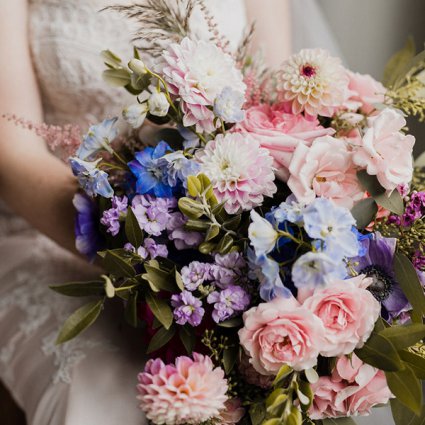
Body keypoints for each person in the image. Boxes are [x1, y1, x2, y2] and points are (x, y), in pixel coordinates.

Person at [0, 1, 291, 424]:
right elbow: (12, 154)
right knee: (113, 395)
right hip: (47, 228)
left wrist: (225, 262)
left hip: (214, 239)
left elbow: (275, 116)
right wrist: (148, 261)